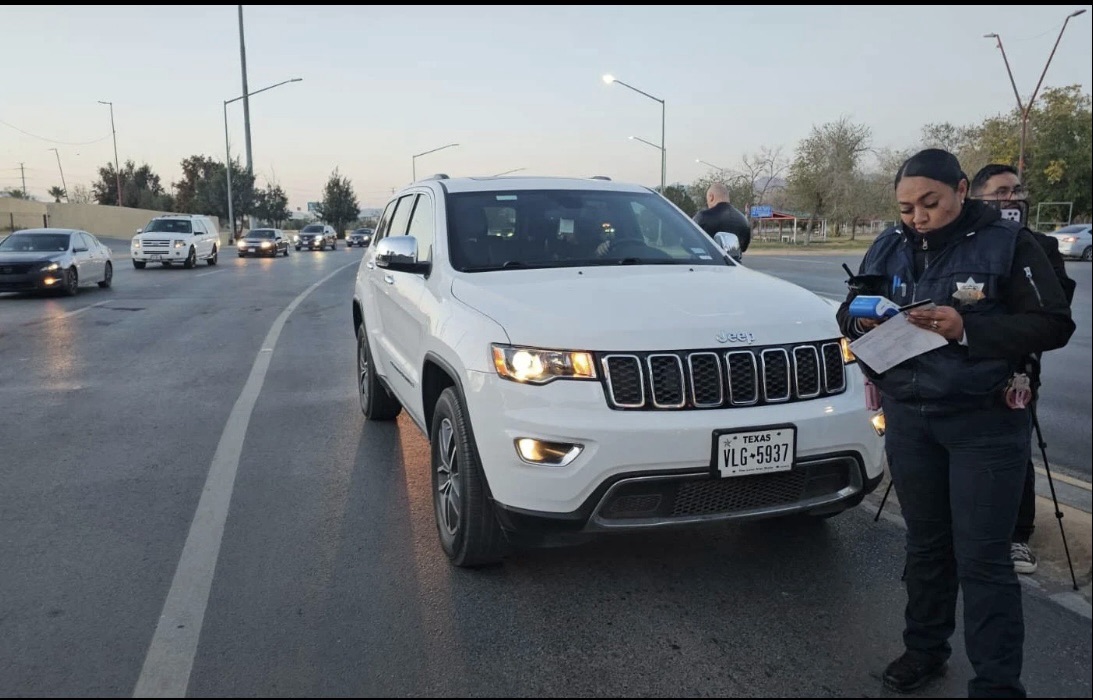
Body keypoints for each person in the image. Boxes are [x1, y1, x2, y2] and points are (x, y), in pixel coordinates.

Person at [836, 149, 1074, 697]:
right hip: (909, 418)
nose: (918, 217)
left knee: (983, 559)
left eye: (930, 203)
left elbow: (1052, 323)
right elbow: (848, 310)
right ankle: (924, 650)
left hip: (983, 424)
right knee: (925, 546)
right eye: (906, 208)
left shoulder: (1011, 244)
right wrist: (861, 319)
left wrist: (964, 328)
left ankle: (996, 683)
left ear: (962, 191)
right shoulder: (889, 244)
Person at [969, 163, 1077, 576]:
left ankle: (1018, 533)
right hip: (967, 364)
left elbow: (1054, 311)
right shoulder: (966, 244)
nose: (1011, 198)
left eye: (1016, 191)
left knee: (1015, 448)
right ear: (975, 198)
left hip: (1017, 368)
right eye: (1000, 192)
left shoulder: (1039, 245)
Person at [692, 182, 751, 252]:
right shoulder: (744, 220)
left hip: (709, 258)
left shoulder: (702, 217)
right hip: (734, 259)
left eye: (707, 200)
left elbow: (689, 239)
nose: (707, 203)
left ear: (711, 197)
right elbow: (743, 248)